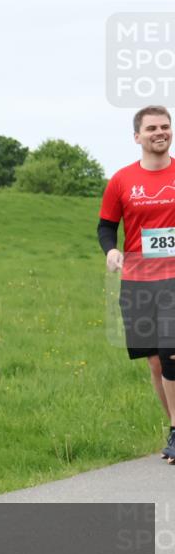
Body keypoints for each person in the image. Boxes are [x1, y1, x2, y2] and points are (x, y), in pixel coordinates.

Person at [98, 105, 175, 465]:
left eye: (165, 126)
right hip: (139, 283)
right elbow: (105, 226)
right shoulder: (121, 181)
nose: (160, 132)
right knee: (156, 363)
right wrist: (111, 251)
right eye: (152, 128)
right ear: (137, 136)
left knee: (172, 354)